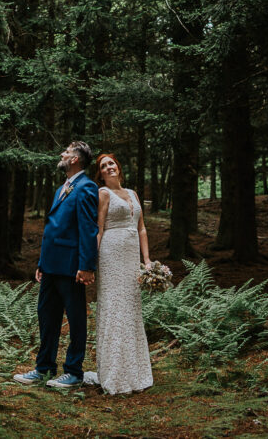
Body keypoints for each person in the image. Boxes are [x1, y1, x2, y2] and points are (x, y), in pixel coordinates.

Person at [14, 141, 98, 389]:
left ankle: (73, 371)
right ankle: (43, 368)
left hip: (72, 268)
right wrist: (42, 262)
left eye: (67, 152)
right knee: (47, 318)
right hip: (51, 266)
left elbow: (88, 229)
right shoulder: (61, 188)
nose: (62, 154)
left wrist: (86, 266)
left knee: (76, 319)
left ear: (75, 160)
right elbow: (52, 229)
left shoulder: (86, 187)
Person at [92, 152, 153, 394]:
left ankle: (135, 372)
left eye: (111, 163)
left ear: (118, 166)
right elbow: (98, 229)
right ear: (101, 174)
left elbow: (142, 229)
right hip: (110, 254)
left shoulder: (133, 194)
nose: (109, 167)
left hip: (131, 257)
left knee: (131, 306)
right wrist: (91, 262)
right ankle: (114, 374)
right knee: (114, 307)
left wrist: (146, 260)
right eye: (103, 166)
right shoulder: (103, 194)